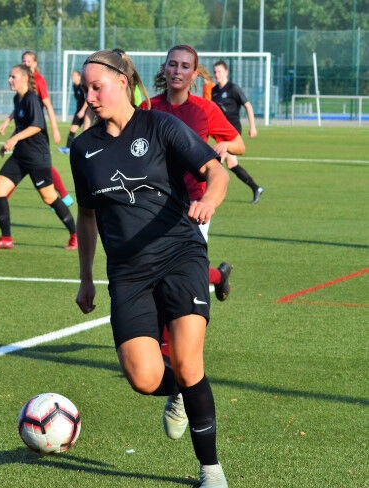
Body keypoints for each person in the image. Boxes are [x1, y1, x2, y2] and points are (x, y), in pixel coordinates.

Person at [71, 49, 230, 487]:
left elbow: (216, 172)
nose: (90, 97)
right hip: (128, 274)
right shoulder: (83, 148)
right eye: (85, 89)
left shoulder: (160, 126)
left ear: (123, 82)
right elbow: (87, 216)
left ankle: (211, 471)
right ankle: (180, 390)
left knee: (188, 362)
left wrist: (208, 201)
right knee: (143, 378)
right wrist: (86, 279)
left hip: (180, 255)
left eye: (97, 87)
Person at [146, 45, 242, 303]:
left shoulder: (205, 109)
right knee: (157, 268)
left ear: (195, 74)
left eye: (185, 66)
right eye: (173, 64)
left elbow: (239, 144)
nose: (178, 71)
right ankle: (218, 276)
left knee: (186, 272)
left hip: (195, 204)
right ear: (164, 68)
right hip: (155, 203)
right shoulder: (148, 108)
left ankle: (214, 280)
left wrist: (225, 145)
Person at [0, 64, 77, 251]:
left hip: (37, 157)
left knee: (49, 197)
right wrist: (10, 140)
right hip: (20, 156)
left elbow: (36, 125)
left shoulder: (32, 99)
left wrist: (14, 139)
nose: (10, 80)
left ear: (25, 78)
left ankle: (76, 235)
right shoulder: (17, 99)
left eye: (13, 77)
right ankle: (6, 238)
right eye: (10, 76)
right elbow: (22, 126)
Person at [212, 59, 264, 204]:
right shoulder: (214, 91)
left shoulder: (233, 89)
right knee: (232, 164)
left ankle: (208, 196)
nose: (217, 74)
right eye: (215, 72)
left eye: (220, 71)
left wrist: (252, 127)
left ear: (226, 72)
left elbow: (248, 106)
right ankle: (256, 188)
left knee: (216, 162)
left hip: (232, 132)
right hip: (220, 133)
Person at [59, 70, 91, 154]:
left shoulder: (82, 86)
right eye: (72, 76)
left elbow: (87, 99)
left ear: (79, 77)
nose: (72, 77)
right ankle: (68, 148)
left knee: (86, 130)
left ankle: (86, 149)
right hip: (79, 110)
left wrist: (82, 111)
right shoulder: (75, 86)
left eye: (74, 75)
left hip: (86, 110)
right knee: (73, 128)